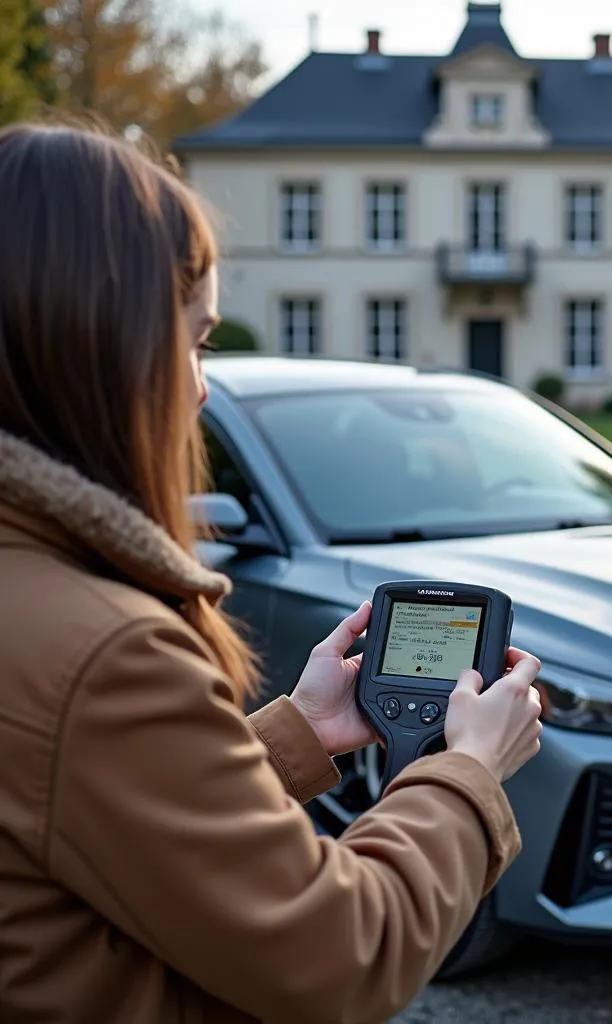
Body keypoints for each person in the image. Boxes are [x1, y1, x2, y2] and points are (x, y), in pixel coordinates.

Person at [0, 121, 544, 1024]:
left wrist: (301, 731)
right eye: (195, 340)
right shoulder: (103, 652)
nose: (202, 386)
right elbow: (344, 954)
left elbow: (77, 806)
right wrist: (473, 771)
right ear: (104, 345)